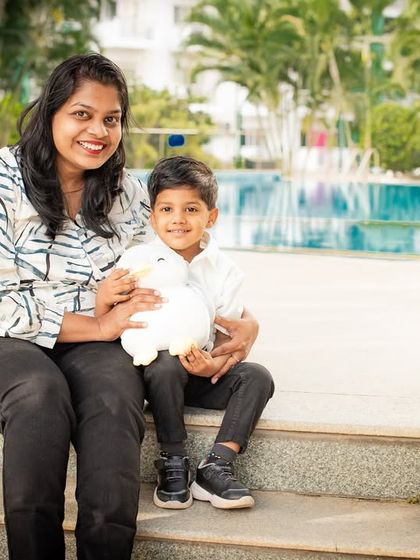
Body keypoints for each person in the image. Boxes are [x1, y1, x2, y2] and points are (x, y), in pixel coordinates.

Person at [0, 54, 259, 560]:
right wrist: (95, 324)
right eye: (81, 114)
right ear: (51, 111)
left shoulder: (129, 194)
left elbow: (185, 265)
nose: (98, 130)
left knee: (116, 395)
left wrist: (246, 322)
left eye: (111, 119)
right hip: (15, 337)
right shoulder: (4, 179)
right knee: (39, 394)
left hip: (102, 337)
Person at [96, 156, 275, 511]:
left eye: (191, 209)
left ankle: (217, 464)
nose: (178, 219)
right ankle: (173, 460)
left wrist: (211, 367)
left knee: (258, 377)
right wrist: (104, 298)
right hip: (150, 368)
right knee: (165, 365)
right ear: (153, 216)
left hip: (197, 369)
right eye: (167, 209)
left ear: (211, 216)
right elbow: (106, 320)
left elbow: (229, 338)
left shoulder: (225, 271)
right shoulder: (139, 260)